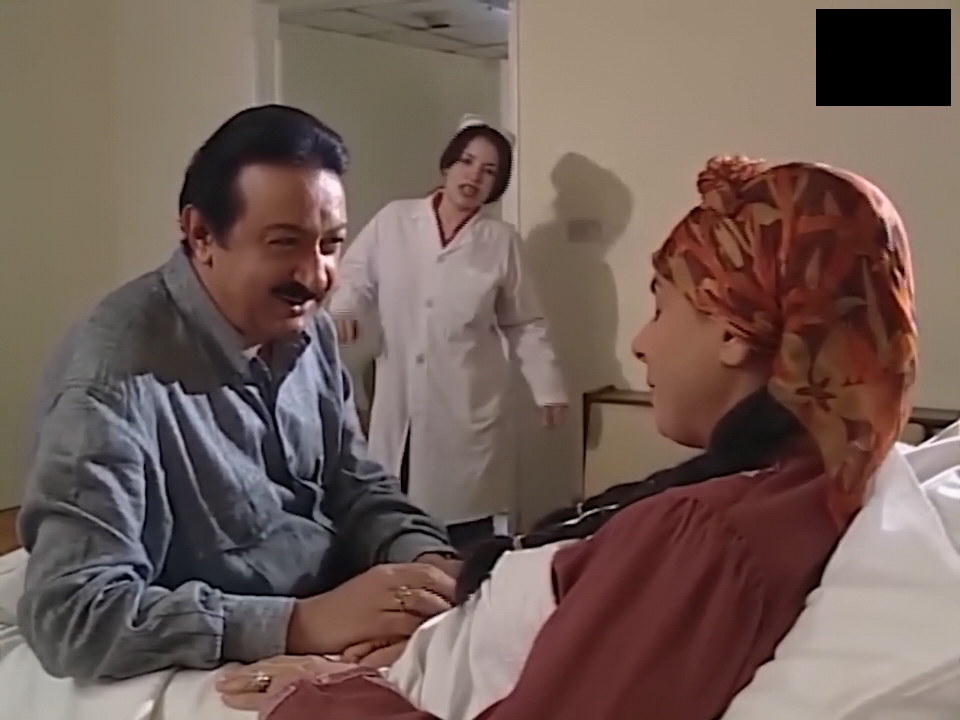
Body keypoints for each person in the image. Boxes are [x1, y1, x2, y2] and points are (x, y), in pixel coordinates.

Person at [217, 156, 918, 720]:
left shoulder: (706, 537)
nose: (641, 342)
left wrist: (319, 695)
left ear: (735, 330)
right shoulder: (793, 481)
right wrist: (421, 638)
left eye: (661, 307)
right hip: (410, 659)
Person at [16, 104, 463, 682]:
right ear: (201, 234)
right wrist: (301, 624)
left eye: (331, 244)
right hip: (223, 662)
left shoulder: (309, 331)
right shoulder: (112, 382)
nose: (316, 276)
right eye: (284, 243)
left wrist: (425, 565)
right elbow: (71, 617)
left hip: (333, 630)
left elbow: (354, 486)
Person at [329, 115, 568, 550]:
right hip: (400, 398)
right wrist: (346, 306)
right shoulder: (395, 220)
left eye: (488, 171)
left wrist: (547, 387)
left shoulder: (501, 241)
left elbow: (524, 322)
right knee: (393, 512)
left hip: (465, 403)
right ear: (448, 164)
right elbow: (355, 274)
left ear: (497, 185)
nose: (473, 176)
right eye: (467, 161)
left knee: (462, 524)